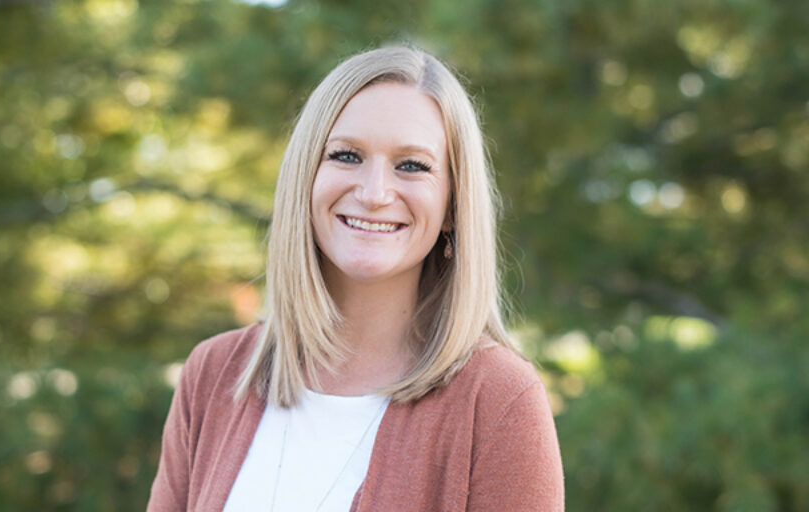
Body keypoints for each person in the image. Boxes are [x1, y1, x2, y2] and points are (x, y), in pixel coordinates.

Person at [147, 46, 564, 511]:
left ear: (452, 206)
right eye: (346, 155)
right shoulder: (215, 374)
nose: (374, 193)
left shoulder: (498, 400)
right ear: (305, 176)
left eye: (412, 165)